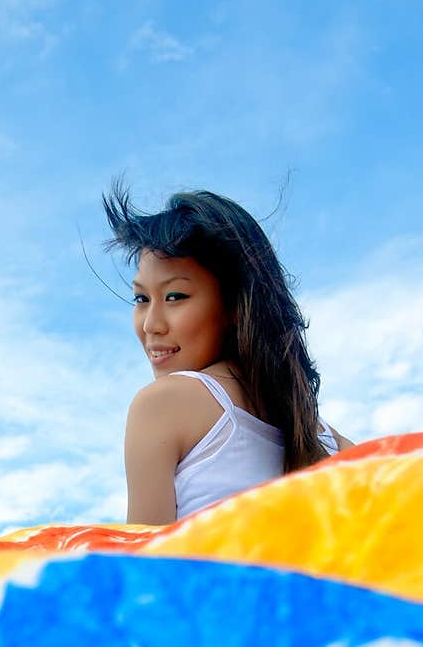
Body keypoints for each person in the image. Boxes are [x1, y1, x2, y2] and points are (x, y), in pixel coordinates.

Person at [103, 182, 352, 525]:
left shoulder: (161, 406)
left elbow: (143, 572)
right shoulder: (329, 439)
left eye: (175, 296)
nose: (151, 325)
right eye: (141, 299)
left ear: (235, 304)